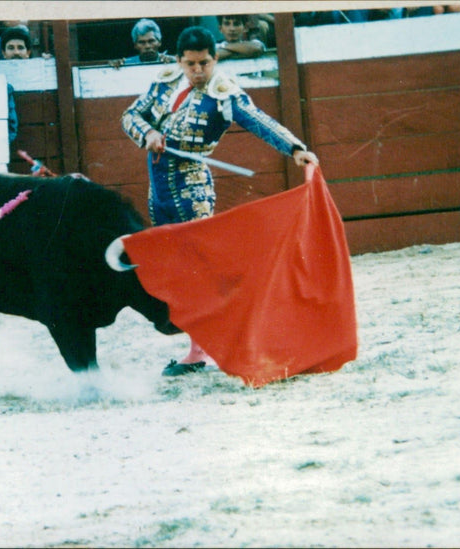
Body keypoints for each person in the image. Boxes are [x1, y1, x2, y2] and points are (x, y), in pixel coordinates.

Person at [121, 26, 318, 376]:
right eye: (192, 64)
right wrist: (149, 133)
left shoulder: (223, 94)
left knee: (200, 269)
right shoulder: (165, 80)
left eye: (205, 63)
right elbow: (130, 116)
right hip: (159, 190)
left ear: (214, 59)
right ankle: (200, 348)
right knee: (180, 270)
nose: (199, 71)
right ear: (179, 61)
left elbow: (259, 121)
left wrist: (295, 148)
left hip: (191, 187)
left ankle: (213, 347)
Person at [110, 18, 175, 68]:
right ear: (135, 45)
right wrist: (114, 67)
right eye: (142, 42)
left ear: (159, 42)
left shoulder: (171, 61)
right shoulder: (126, 64)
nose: (147, 46)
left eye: (151, 41)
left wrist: (174, 63)